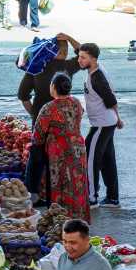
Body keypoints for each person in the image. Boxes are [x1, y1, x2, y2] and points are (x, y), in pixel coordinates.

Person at [30, 72, 90, 222]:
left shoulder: (49, 108)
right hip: (78, 149)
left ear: (53, 87)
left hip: (58, 152)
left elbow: (38, 134)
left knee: (59, 184)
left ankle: (60, 221)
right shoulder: (76, 102)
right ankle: (78, 218)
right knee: (77, 183)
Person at [78, 43, 122, 209]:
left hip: (101, 125)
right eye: (79, 56)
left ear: (93, 59)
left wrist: (118, 118)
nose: (79, 60)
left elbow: (111, 99)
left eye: (83, 58)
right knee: (108, 160)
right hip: (108, 123)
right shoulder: (96, 68)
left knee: (90, 160)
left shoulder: (97, 78)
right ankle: (112, 198)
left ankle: (92, 198)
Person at [17, 32, 81, 122]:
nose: (65, 52)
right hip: (63, 115)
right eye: (64, 50)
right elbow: (84, 54)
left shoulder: (36, 67)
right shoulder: (69, 66)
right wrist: (70, 39)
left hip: (40, 114)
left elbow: (22, 95)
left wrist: (34, 114)